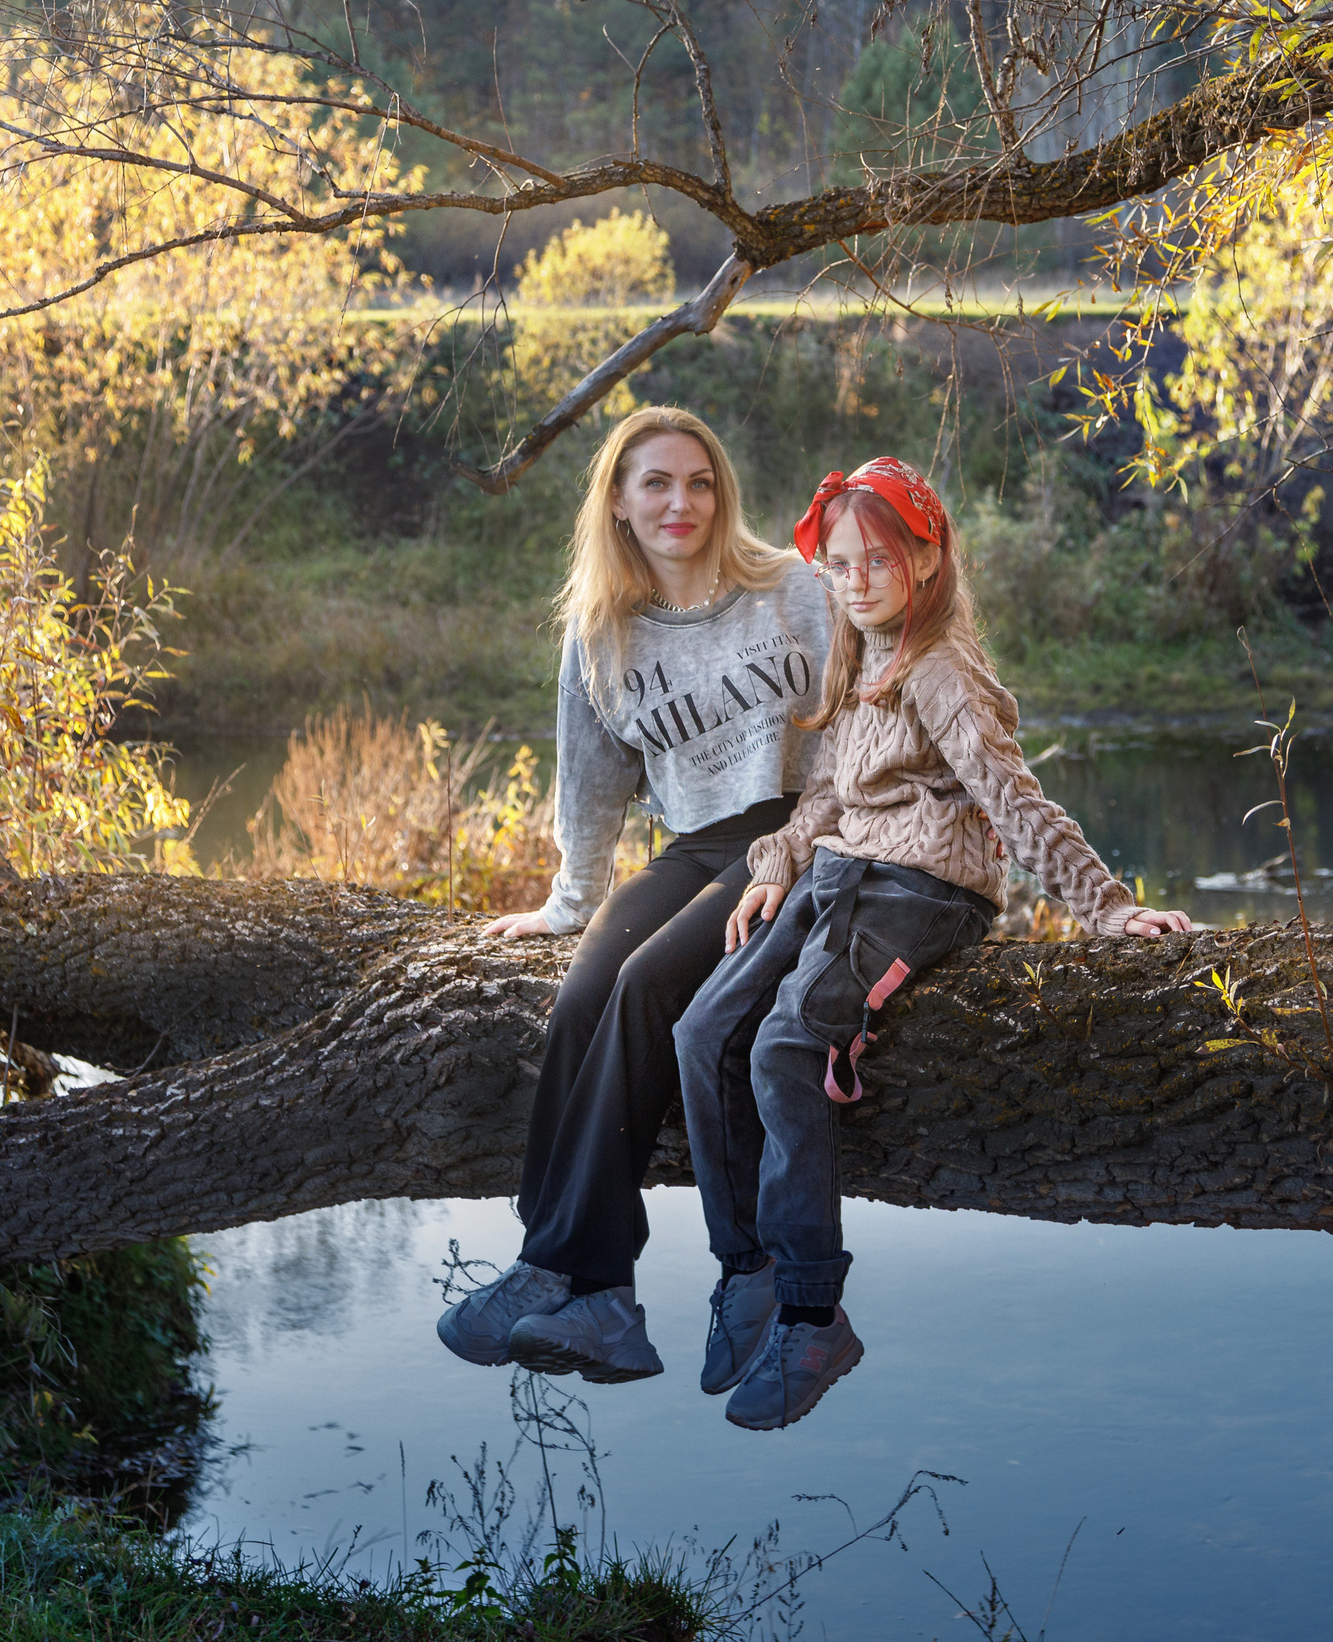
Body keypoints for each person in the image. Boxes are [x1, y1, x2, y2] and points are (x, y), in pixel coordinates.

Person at [672, 457, 1195, 1432]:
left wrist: (1108, 907)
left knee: (787, 1049)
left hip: (919, 892)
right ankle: (744, 1266)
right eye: (838, 562)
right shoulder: (860, 654)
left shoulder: (944, 671)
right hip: (838, 871)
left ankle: (812, 1313)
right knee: (701, 1032)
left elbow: (1014, 798)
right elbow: (830, 790)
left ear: (925, 557)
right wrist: (778, 859)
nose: (856, 577)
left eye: (877, 558)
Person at [436, 406, 831, 1385]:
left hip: (797, 834)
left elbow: (856, 739)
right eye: (655, 482)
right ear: (616, 500)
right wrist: (570, 902)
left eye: (698, 482)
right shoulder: (601, 631)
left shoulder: (792, 588)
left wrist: (810, 839)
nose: (680, 502)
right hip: (694, 846)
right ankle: (591, 1290)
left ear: (721, 493)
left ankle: (553, 1273)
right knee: (580, 998)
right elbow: (593, 784)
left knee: (651, 987)